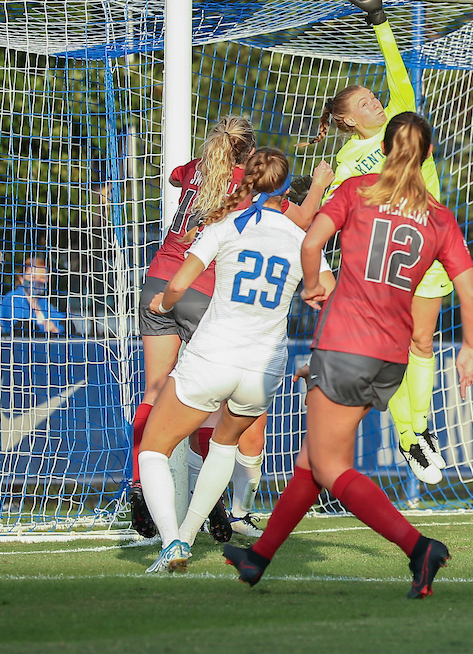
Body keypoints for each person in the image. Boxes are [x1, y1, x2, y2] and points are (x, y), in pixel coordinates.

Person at [223, 112, 473, 599]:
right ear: (428, 155)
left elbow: (312, 240)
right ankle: (257, 559)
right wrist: (469, 349)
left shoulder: (358, 189)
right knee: (313, 461)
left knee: (330, 467)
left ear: (384, 149)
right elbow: (469, 293)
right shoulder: (439, 216)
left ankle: (419, 547)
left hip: (346, 344)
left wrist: (315, 283)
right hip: (391, 356)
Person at [129, 115, 328, 540]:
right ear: (251, 153)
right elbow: (304, 218)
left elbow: (173, 176)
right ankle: (214, 500)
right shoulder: (247, 186)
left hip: (157, 280)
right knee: (214, 402)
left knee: (153, 391)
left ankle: (139, 484)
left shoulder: (202, 166)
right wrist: (319, 184)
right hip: (200, 288)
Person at [303, 0, 454, 484]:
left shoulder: (404, 129)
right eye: (364, 102)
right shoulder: (348, 164)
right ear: (347, 120)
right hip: (382, 265)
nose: (376, 102)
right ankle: (410, 438)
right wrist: (322, 269)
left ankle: (419, 431)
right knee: (394, 350)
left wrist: (378, 19)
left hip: (427, 250)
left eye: (375, 97)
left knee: (422, 344)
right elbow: (331, 217)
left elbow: (397, 73)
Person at [0, 257, 68, 335]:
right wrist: (45, 328)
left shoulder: (43, 302)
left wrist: (55, 328)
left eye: (42, 277)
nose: (37, 281)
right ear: (21, 279)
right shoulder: (12, 299)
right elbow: (21, 328)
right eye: (32, 277)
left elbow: (63, 323)